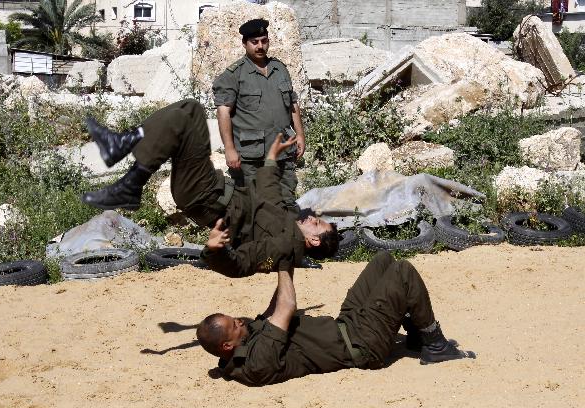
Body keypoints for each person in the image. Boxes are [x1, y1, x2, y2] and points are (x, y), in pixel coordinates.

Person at [80, 99, 338, 277]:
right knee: (185, 118)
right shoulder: (289, 219)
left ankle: (124, 159)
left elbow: (242, 264)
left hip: (207, 196)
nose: (312, 218)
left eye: (317, 224)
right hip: (210, 188)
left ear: (313, 240)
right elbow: (269, 193)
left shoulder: (282, 246)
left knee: (190, 113)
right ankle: (130, 181)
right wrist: (271, 158)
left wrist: (214, 250)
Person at [196, 252, 476, 386]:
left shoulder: (246, 342)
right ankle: (436, 345)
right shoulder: (256, 363)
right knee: (402, 272)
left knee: (383, 261)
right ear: (226, 346)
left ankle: (415, 336)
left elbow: (273, 309)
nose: (241, 322)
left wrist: (286, 258)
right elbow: (287, 306)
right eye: (234, 325)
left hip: (347, 325)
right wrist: (282, 263)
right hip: (362, 345)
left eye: (236, 319)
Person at [213, 18, 305, 214]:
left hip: (282, 149)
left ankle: (289, 240)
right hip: (251, 155)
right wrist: (229, 149)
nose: (260, 46)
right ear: (244, 43)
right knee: (254, 204)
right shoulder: (233, 75)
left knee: (287, 199)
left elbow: (293, 103)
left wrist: (300, 135)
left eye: (264, 41)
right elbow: (223, 113)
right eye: (255, 42)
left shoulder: (280, 69)